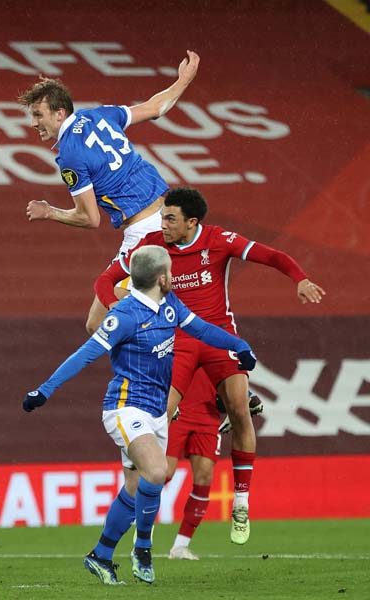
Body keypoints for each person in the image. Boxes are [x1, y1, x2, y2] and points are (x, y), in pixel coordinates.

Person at [94, 186, 325, 544]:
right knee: (158, 415)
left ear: (192, 222)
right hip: (179, 341)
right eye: (162, 217)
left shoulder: (219, 240)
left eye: (170, 219)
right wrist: (113, 305)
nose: (163, 225)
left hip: (218, 336)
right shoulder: (152, 245)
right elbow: (104, 280)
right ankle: (138, 483)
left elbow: (272, 255)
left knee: (239, 409)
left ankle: (241, 502)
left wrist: (301, 279)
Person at [22, 245, 256, 586]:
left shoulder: (170, 304)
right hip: (124, 408)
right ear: (162, 278)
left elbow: (203, 330)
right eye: (170, 272)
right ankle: (143, 549)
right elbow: (85, 354)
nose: (173, 276)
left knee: (134, 489)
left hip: (156, 412)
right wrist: (44, 390)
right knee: (157, 471)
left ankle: (100, 555)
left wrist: (239, 345)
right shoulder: (124, 316)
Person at [17, 50, 200, 333]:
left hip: (144, 234)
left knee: (99, 324)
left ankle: (164, 350)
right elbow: (155, 108)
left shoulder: (70, 154)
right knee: (156, 309)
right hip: (169, 215)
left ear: (60, 113)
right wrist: (184, 80)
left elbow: (89, 218)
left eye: (38, 115)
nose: (33, 123)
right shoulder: (97, 115)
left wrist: (49, 212)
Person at [166, 371, 264, 560]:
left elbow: (228, 368)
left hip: (207, 413)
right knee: (162, 473)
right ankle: (141, 540)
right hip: (177, 407)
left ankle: (180, 546)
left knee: (204, 478)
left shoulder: (227, 349)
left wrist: (245, 397)